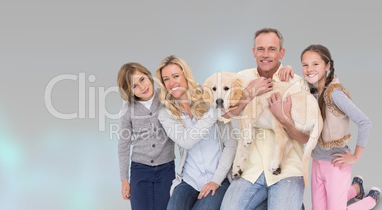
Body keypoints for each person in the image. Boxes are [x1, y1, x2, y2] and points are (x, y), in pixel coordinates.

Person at [155, 55, 262, 210]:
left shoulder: (208, 97)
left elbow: (231, 144)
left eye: (176, 76)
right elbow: (186, 141)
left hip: (219, 178)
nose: (172, 83)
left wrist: (216, 180)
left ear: (185, 75)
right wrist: (214, 112)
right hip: (189, 181)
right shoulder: (166, 114)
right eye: (166, 79)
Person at [220, 27, 311, 210]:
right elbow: (224, 115)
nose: (265, 54)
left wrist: (283, 119)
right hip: (250, 170)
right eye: (260, 49)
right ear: (254, 52)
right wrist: (250, 93)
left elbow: (307, 138)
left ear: (281, 52)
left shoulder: (296, 83)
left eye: (272, 49)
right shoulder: (241, 79)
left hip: (287, 170)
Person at [299, 44, 380, 209]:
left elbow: (365, 122)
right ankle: (356, 188)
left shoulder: (335, 94)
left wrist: (355, 157)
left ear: (328, 66)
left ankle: (372, 198)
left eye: (316, 64)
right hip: (317, 162)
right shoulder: (310, 93)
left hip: (336, 163)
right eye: (305, 65)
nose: (309, 69)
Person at [117, 62, 175, 210]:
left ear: (148, 75)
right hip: (140, 170)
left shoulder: (165, 98)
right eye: (135, 86)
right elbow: (123, 144)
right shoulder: (127, 109)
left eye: (142, 79)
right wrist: (124, 179)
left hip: (166, 168)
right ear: (129, 91)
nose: (142, 87)